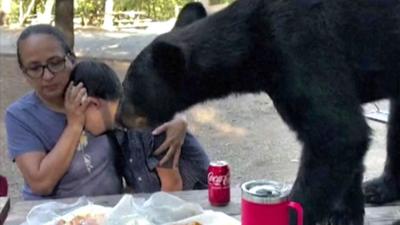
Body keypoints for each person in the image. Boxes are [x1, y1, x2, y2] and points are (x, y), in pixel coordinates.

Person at [5, 24, 188, 200]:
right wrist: (74, 125)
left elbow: (138, 99)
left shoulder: (93, 85)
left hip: (106, 212)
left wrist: (178, 118)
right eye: (35, 68)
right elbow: (41, 183)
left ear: (72, 58)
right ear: (24, 72)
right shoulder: (20, 116)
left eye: (55, 62)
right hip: (51, 215)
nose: (48, 75)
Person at [70, 60, 210, 193]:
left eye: (80, 114)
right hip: (162, 203)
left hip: (198, 202)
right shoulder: (117, 132)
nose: (82, 125)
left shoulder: (148, 120)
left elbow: (173, 187)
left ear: (93, 103)